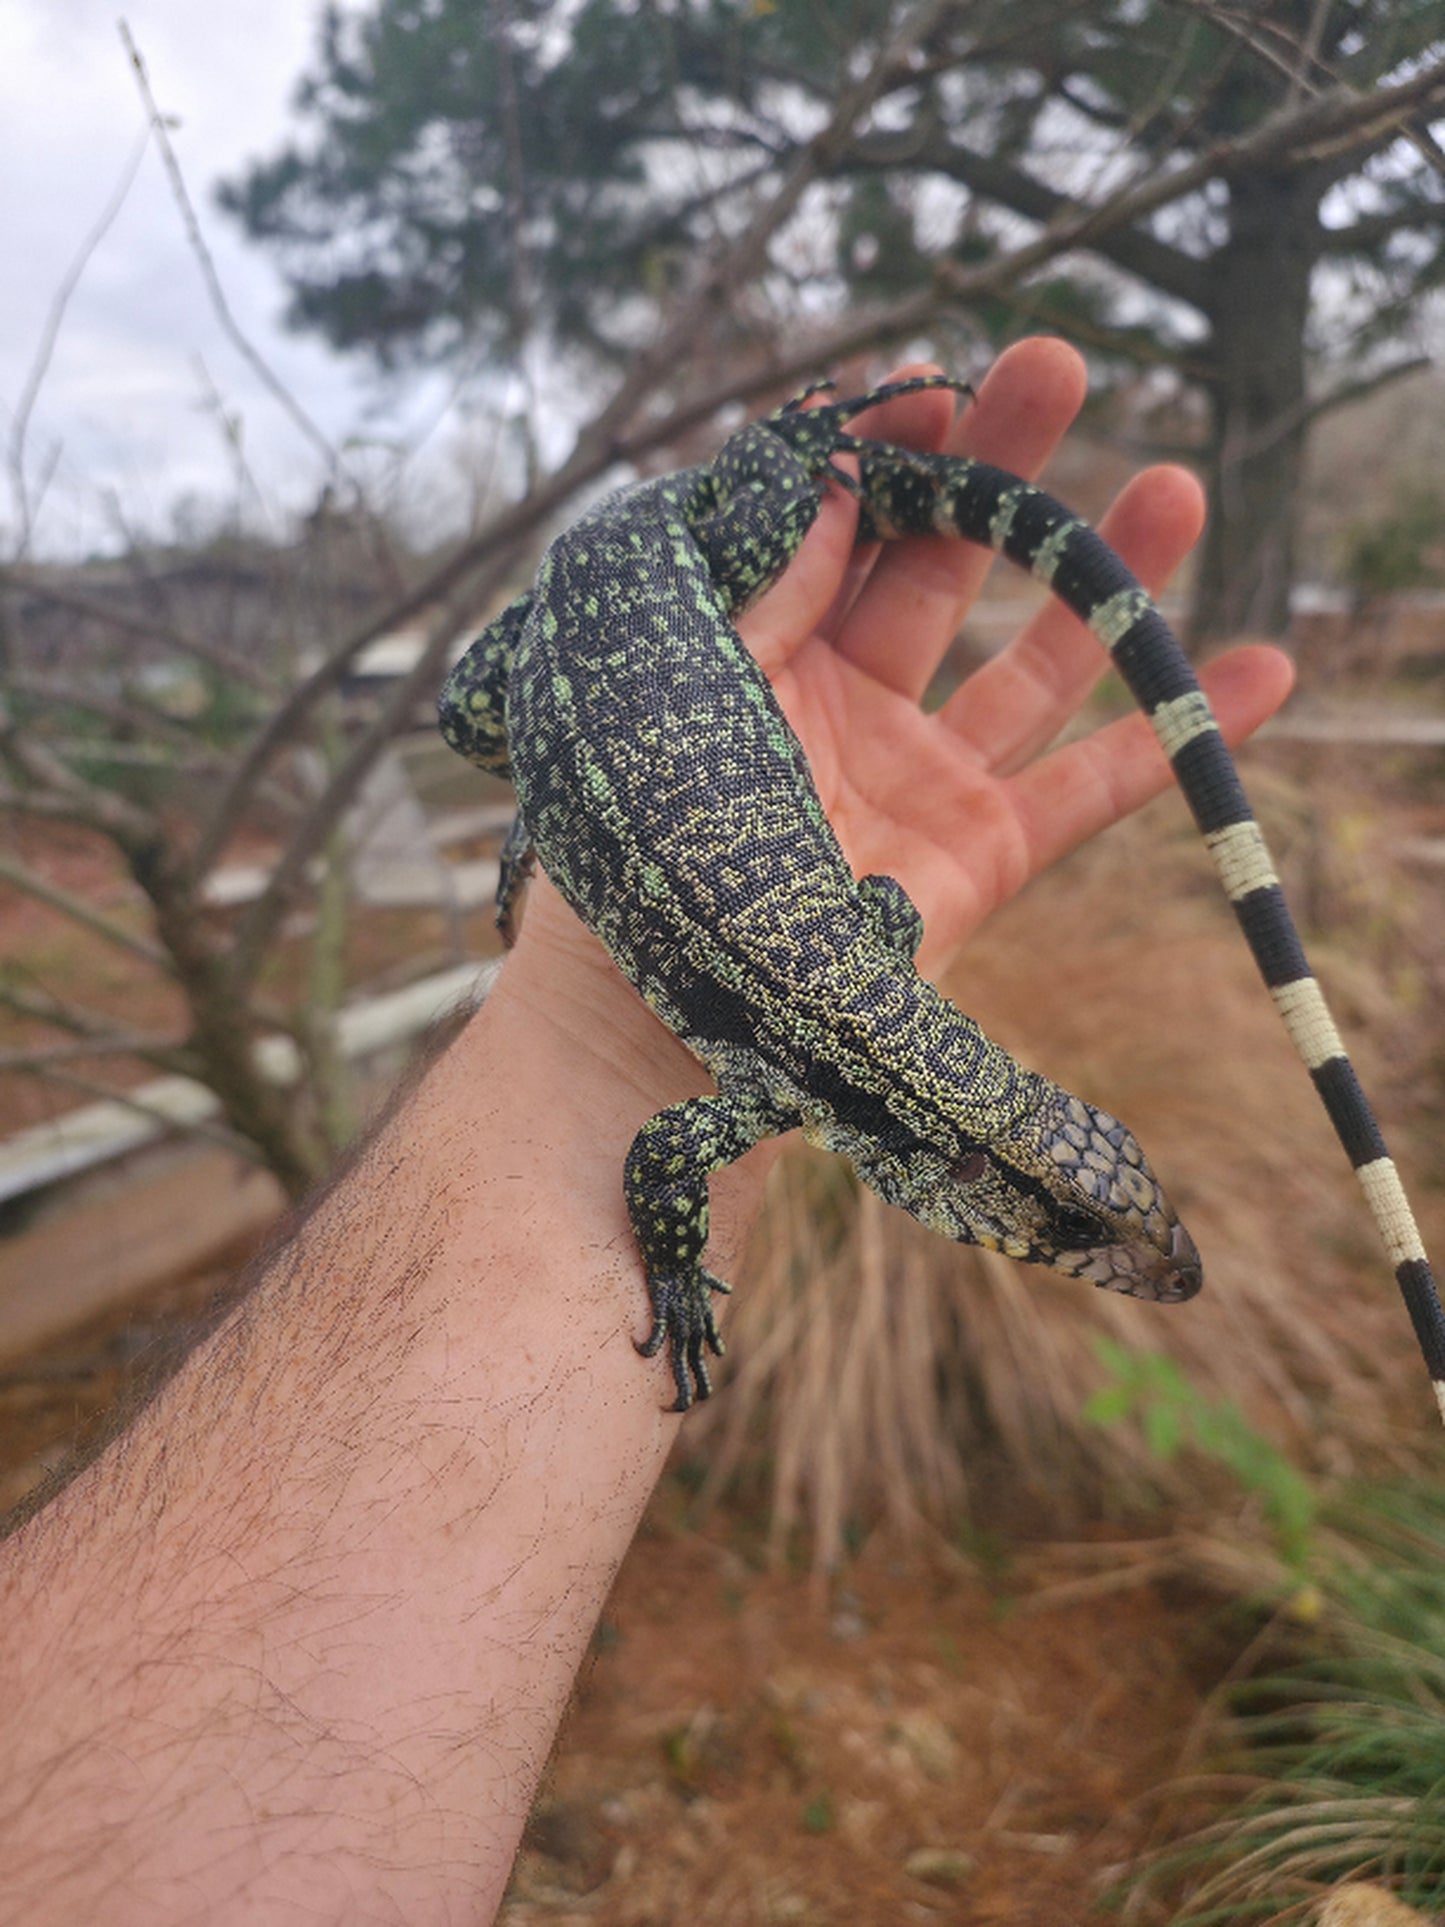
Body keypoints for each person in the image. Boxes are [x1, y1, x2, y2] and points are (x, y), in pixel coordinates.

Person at [0, 338, 1292, 1923]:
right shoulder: (796, 1064)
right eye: (1083, 1229)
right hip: (649, 573)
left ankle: (699, 605)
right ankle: (796, 460)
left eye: (1101, 1222)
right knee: (514, 699)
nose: (1119, 1255)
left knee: (503, 707)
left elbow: (865, 912)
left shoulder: (859, 987)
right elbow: (660, 1153)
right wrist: (667, 1281)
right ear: (969, 1169)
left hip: (620, 657)